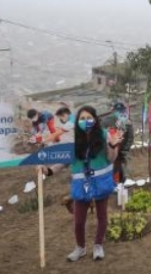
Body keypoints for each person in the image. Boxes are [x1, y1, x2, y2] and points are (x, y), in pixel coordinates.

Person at [40, 106, 121, 262]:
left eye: (89, 118)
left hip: (100, 182)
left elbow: (111, 158)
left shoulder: (104, 135)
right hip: (81, 184)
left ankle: (98, 245)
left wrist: (112, 146)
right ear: (77, 122)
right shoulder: (73, 139)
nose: (86, 121)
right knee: (78, 220)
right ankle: (80, 248)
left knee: (102, 216)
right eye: (82, 119)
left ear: (95, 119)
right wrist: (49, 171)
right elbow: (64, 161)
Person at [101, 101, 135, 185]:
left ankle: (116, 184)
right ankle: (117, 184)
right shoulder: (126, 121)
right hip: (113, 150)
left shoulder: (106, 120)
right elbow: (130, 138)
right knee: (117, 169)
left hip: (113, 150)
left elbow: (130, 137)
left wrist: (123, 150)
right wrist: (125, 150)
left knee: (115, 169)